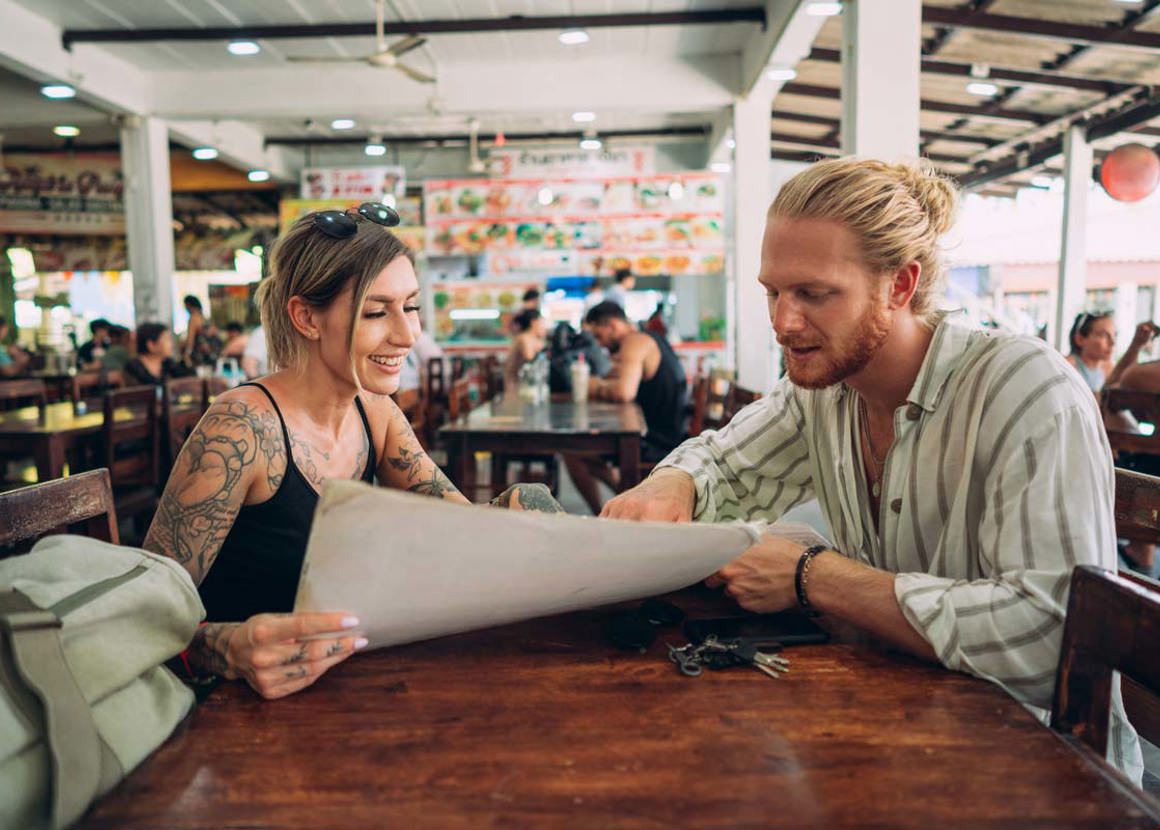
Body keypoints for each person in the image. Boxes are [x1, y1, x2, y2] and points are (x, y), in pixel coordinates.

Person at [601, 157, 1142, 784]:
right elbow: (723, 463)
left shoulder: (1025, 389)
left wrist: (813, 576)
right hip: (902, 731)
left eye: (814, 293)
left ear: (900, 285)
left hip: (1037, 769)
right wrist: (676, 481)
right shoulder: (824, 386)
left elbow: (1049, 639)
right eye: (773, 291)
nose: (782, 322)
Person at [143, 205, 559, 701]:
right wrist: (225, 647)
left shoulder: (374, 409)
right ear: (306, 317)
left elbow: (461, 525)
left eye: (411, 306)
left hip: (339, 691)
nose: (408, 335)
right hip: (233, 709)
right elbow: (146, 614)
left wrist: (521, 514)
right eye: (376, 312)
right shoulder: (241, 429)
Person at [563, 301, 687, 514]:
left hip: (658, 441)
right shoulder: (648, 338)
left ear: (613, 326)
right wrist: (605, 383)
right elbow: (616, 379)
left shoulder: (635, 341)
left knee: (572, 449)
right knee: (581, 449)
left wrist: (593, 385)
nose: (600, 344)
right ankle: (618, 499)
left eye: (599, 336)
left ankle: (602, 511)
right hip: (669, 432)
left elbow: (623, 392)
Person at [1064, 311, 1155, 394]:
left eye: (1114, 335)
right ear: (1080, 339)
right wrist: (1135, 345)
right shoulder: (1066, 367)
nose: (1113, 343)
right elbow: (1100, 401)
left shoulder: (1108, 368)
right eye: (1104, 335)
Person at [124, 323, 195, 386]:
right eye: (167, 339)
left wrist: (186, 357)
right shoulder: (134, 367)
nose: (171, 345)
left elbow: (188, 378)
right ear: (151, 345)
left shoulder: (167, 363)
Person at [506, 308, 548, 387]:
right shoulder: (524, 338)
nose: (544, 326)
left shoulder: (534, 338)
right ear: (534, 322)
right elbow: (530, 360)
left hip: (528, 383)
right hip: (517, 385)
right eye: (542, 322)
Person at [181, 295, 223, 368]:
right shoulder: (205, 318)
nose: (185, 308)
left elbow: (190, 340)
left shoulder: (193, 319)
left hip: (201, 354)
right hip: (214, 353)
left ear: (189, 305)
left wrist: (186, 355)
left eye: (186, 306)